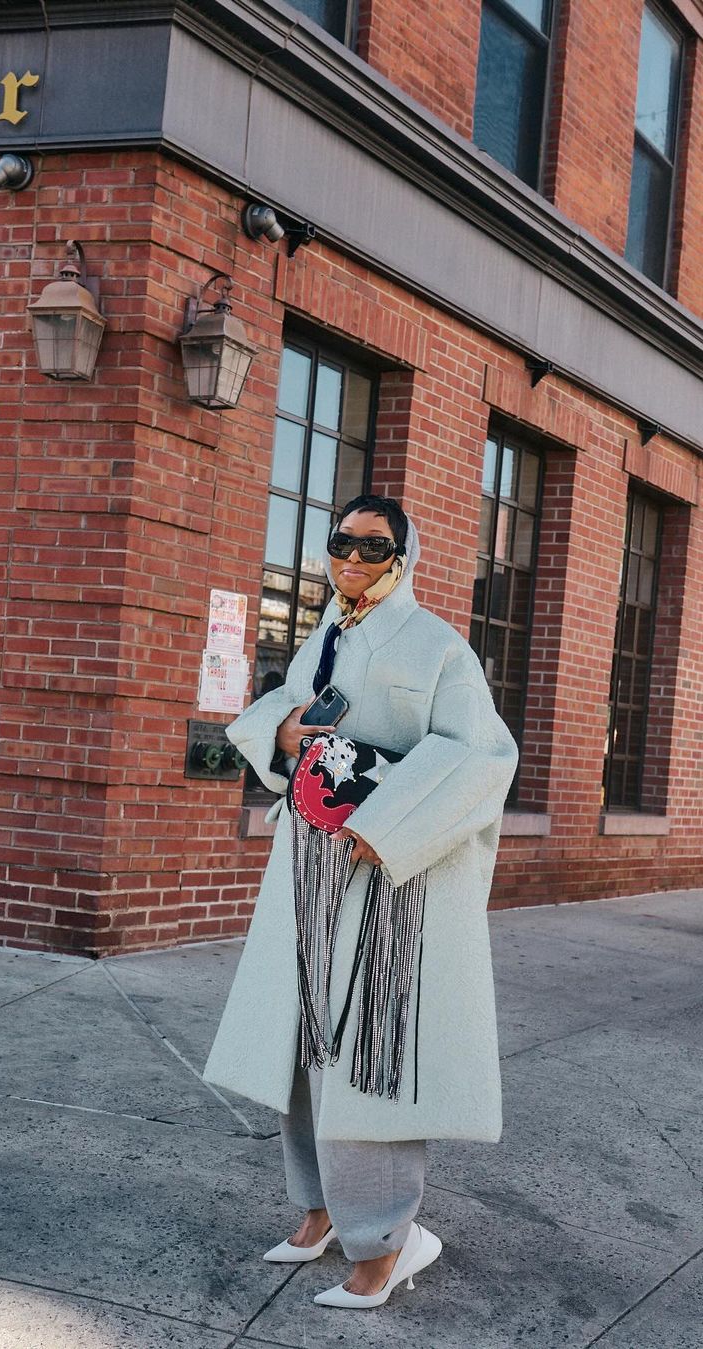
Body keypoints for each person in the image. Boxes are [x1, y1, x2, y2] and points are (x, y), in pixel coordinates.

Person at [202, 494, 518, 1310]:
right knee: (301, 1040)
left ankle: (386, 1240)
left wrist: (388, 824)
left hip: (385, 882)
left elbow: (484, 755)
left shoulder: (439, 646)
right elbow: (288, 710)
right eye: (341, 541)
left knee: (368, 1050)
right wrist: (280, 733)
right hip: (307, 869)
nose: (352, 557)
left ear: (403, 557)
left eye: (373, 546)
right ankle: (319, 1210)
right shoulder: (328, 634)